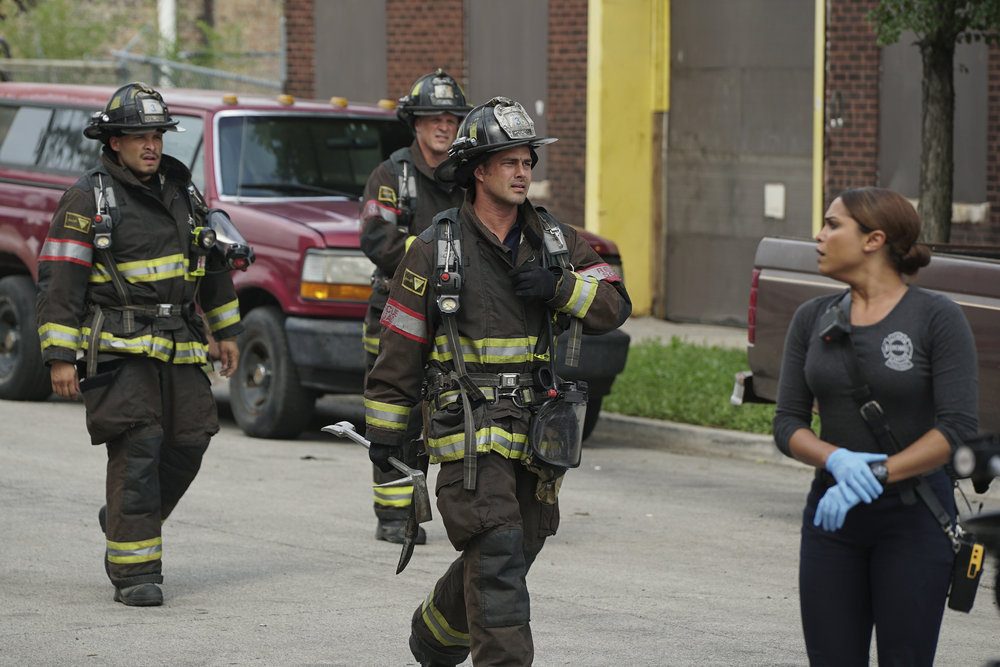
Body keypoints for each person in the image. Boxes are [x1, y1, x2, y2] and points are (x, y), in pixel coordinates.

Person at [364, 96, 631, 666]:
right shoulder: (433, 249)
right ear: (478, 170)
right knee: (499, 546)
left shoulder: (555, 241)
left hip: (539, 433)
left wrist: (561, 289)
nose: (522, 172)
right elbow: (399, 351)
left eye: (527, 161)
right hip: (468, 431)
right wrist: (388, 437)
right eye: (508, 161)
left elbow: (614, 304)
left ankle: (436, 632)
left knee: (517, 545)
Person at [36, 82, 243, 607]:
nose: (151, 145)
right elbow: (60, 278)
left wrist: (227, 331)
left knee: (192, 438)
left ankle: (125, 518)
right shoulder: (88, 197)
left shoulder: (183, 191)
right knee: (139, 445)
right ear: (113, 143)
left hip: (179, 340)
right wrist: (61, 356)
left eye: (156, 135)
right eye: (138, 136)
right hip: (119, 347)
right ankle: (134, 572)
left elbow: (211, 265)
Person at [772, 187, 978, 665]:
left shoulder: (936, 317)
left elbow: (957, 427)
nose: (819, 236)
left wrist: (883, 472)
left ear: (874, 240)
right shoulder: (812, 319)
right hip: (832, 516)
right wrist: (835, 459)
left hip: (914, 519)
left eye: (832, 224)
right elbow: (788, 423)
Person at [359, 68, 471, 545]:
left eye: (451, 118)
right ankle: (393, 514)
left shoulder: (470, 173)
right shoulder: (392, 175)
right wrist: (439, 261)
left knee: (451, 410)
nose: (444, 126)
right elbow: (376, 238)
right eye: (433, 118)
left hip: (455, 315)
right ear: (415, 123)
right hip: (398, 313)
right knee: (396, 415)